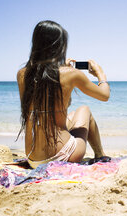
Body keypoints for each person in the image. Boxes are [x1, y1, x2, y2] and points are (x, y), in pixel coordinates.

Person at [16, 20, 111, 168]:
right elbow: (104, 96)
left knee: (70, 116)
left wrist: (63, 73)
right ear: (59, 46)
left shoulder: (22, 74)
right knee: (84, 110)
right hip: (63, 155)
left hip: (32, 158)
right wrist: (100, 75)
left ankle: (99, 154)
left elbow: (51, 107)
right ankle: (100, 155)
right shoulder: (71, 74)